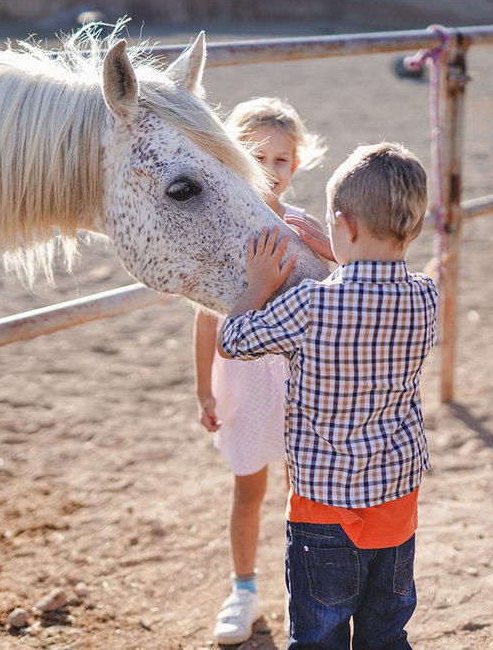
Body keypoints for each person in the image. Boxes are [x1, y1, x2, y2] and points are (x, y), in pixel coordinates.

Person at [219, 142, 439, 649]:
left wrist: (257, 284)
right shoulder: (425, 297)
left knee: (320, 637)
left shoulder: (310, 305)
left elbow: (233, 341)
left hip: (323, 510)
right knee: (386, 634)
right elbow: (372, 291)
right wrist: (337, 250)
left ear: (345, 225)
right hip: (397, 503)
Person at [192, 97, 326, 645]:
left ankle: (310, 590)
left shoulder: (308, 229)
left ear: (296, 165)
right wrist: (204, 388)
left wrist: (332, 253)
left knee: (305, 493)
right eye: (258, 156)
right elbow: (205, 320)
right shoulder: (220, 232)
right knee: (247, 491)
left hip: (300, 382)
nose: (271, 170)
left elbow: (336, 296)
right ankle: (243, 590)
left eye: (282, 159)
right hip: (244, 380)